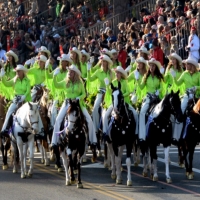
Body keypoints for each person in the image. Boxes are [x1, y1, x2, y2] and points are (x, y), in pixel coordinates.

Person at [51, 65, 97, 146]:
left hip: (79, 104)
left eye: (71, 72)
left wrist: (78, 98)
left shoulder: (80, 83)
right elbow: (56, 85)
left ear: (75, 73)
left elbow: (84, 94)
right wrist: (55, 76)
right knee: (58, 120)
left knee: (89, 120)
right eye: (69, 71)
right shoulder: (65, 82)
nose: (69, 73)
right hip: (67, 103)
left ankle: (92, 140)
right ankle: (55, 141)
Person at [103, 66, 138, 137]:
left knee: (135, 113)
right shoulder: (113, 82)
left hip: (125, 102)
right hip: (115, 103)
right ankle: (105, 133)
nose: (117, 74)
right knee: (106, 115)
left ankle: (136, 132)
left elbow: (128, 91)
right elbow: (110, 93)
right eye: (116, 73)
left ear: (121, 74)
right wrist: (107, 86)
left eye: (118, 73)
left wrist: (121, 95)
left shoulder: (124, 82)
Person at [170, 58, 200, 143]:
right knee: (181, 111)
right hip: (187, 96)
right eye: (186, 64)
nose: (186, 65)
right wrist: (174, 77)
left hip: (196, 96)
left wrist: (196, 88)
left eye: (188, 64)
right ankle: (176, 136)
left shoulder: (198, 74)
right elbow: (177, 83)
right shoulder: (184, 74)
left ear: (192, 66)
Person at [136, 58, 164, 141]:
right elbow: (141, 87)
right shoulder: (146, 76)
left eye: (153, 66)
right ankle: (142, 135)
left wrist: (159, 91)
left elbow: (162, 86)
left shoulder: (159, 77)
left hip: (157, 97)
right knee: (142, 112)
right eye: (150, 65)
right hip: (148, 97)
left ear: (156, 67)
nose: (152, 67)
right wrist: (137, 79)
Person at [0, 65, 31, 136]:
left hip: (25, 99)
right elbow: (7, 84)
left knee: (32, 112)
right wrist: (2, 77)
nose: (17, 73)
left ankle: (36, 130)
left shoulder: (27, 80)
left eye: (19, 71)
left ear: (23, 72)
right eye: (17, 71)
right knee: (9, 111)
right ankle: (5, 129)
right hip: (16, 99)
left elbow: (28, 90)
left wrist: (24, 96)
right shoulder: (14, 80)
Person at [87, 55, 114, 134]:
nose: (103, 63)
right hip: (100, 93)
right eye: (102, 61)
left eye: (105, 61)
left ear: (107, 63)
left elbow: (114, 82)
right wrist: (88, 70)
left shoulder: (111, 72)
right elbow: (91, 79)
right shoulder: (98, 71)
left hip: (109, 93)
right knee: (95, 108)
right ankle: (95, 129)